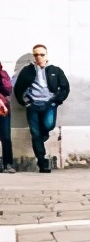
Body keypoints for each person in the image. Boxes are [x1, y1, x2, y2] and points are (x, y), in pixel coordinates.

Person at [13, 45, 71, 173]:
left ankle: (42, 138)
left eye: (41, 54)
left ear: (46, 55)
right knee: (35, 133)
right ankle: (42, 162)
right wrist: (24, 102)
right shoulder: (27, 70)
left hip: (49, 104)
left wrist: (56, 101)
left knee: (48, 125)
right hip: (33, 105)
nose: (38, 57)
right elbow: (18, 88)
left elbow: (65, 87)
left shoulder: (55, 70)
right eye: (36, 55)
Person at [0, 59, 14, 173]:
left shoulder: (3, 74)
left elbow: (8, 90)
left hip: (2, 108)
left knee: (6, 137)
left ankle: (8, 164)